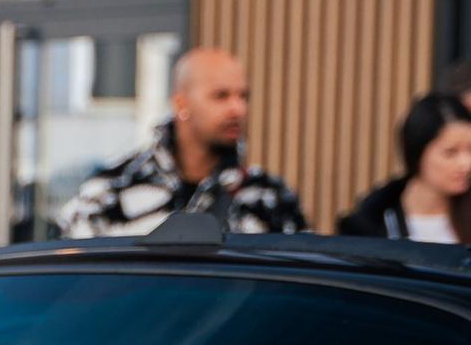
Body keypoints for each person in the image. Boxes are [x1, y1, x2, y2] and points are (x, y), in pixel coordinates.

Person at [59, 47, 303, 236]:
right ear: (180, 103)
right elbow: (71, 288)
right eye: (221, 96)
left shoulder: (269, 197)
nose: (238, 109)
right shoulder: (109, 193)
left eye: (243, 96)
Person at [337, 92, 471, 244]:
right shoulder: (372, 221)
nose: (466, 164)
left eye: (470, 150)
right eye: (450, 153)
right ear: (418, 152)